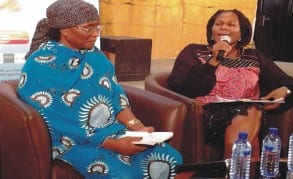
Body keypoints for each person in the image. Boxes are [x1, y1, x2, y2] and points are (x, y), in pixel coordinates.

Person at [17, 0, 182, 178]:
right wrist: (111, 144)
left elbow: (115, 96)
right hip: (72, 142)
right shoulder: (40, 66)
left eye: (97, 27)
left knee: (172, 158)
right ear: (64, 30)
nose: (95, 34)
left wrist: (138, 128)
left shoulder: (95, 55)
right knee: (122, 175)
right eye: (88, 28)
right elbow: (58, 123)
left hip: (112, 131)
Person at [167, 9, 293, 160]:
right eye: (219, 24)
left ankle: (233, 165)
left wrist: (285, 90)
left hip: (248, 113)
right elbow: (181, 88)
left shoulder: (254, 56)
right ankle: (240, 167)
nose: (224, 28)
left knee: (249, 110)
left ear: (241, 33)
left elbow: (286, 82)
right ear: (211, 31)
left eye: (231, 25)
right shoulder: (194, 52)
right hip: (205, 115)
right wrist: (213, 62)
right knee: (252, 134)